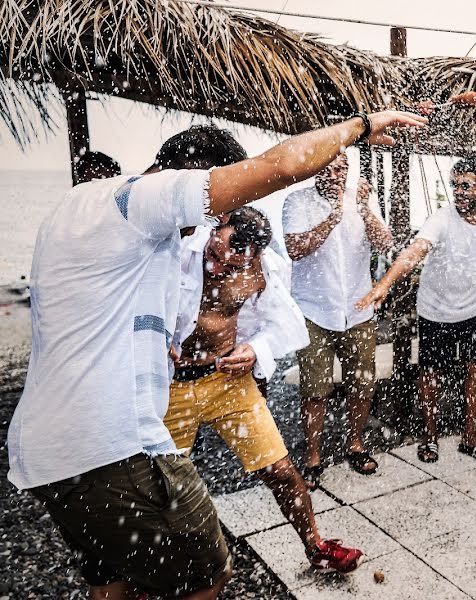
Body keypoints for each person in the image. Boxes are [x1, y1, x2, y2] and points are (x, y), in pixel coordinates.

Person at [7, 110, 426, 599]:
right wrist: (360, 126)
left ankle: (312, 542)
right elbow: (285, 164)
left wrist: (246, 350)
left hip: (51, 451)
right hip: (111, 444)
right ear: (194, 179)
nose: (208, 232)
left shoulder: (82, 210)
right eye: (215, 216)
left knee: (113, 576)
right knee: (208, 573)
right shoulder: (139, 205)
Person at [168, 206, 362, 573]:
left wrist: (254, 348)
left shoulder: (262, 269)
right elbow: (130, 302)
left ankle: (316, 547)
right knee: (161, 486)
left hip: (227, 382)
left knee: (281, 470)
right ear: (218, 225)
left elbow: (286, 324)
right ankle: (149, 575)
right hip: (172, 387)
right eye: (216, 254)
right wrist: (154, 339)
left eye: (234, 263)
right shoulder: (176, 250)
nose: (221, 266)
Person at [356, 157, 476, 464]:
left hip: (475, 310)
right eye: (454, 185)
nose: (458, 192)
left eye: (465, 186)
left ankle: (469, 437)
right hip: (435, 311)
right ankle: (429, 437)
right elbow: (414, 252)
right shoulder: (442, 219)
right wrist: (385, 284)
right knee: (430, 376)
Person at [282, 154, 392, 489]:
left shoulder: (359, 200)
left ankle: (355, 444)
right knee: (315, 389)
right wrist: (334, 217)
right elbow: (296, 248)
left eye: (341, 168)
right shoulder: (297, 201)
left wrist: (361, 209)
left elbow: (384, 243)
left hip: (357, 309)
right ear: (315, 168)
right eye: (327, 167)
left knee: (362, 383)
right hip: (315, 311)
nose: (335, 174)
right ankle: (313, 457)